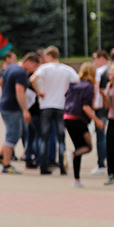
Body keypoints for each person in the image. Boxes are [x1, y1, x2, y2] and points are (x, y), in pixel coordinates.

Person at [30, 46, 78, 175]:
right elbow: (77, 82)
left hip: (46, 105)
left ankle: (43, 166)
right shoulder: (67, 69)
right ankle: (62, 166)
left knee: (44, 137)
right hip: (61, 105)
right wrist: (68, 94)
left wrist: (39, 92)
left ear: (50, 55)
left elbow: (32, 79)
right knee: (61, 138)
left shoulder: (44, 68)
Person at [0, 53, 40, 174]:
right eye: (35, 66)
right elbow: (19, 91)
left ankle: (1, 156)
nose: (34, 69)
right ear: (29, 62)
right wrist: (25, 110)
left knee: (10, 132)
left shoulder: (11, 67)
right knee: (13, 135)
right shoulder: (21, 73)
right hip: (13, 108)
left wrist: (6, 93)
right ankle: (6, 164)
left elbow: (1, 83)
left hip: (4, 105)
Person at [63, 63, 104, 188]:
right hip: (78, 119)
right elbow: (85, 107)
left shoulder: (73, 85)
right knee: (88, 146)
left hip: (67, 117)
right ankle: (72, 155)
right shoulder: (89, 87)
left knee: (79, 147)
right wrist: (97, 120)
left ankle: (77, 179)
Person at [90, 50, 110, 174]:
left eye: (95, 58)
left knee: (100, 136)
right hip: (112, 107)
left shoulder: (99, 72)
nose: (93, 62)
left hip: (101, 107)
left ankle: (101, 164)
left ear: (102, 58)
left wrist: (94, 105)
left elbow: (96, 90)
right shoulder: (112, 69)